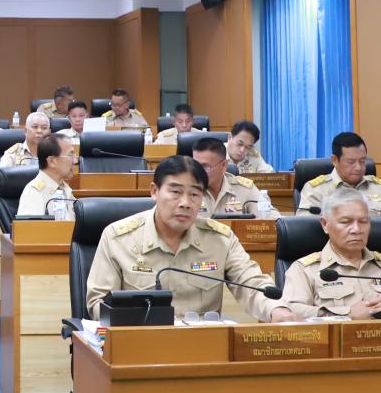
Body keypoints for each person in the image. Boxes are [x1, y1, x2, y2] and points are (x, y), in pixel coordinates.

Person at [86, 156, 298, 323]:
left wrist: (276, 310)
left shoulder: (220, 239)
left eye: (195, 195)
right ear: (154, 191)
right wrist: (136, 319)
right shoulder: (118, 237)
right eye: (175, 192)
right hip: (139, 344)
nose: (185, 203)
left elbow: (251, 283)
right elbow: (97, 303)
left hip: (203, 348)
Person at [278, 188, 381, 318]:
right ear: (325, 224)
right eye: (346, 222)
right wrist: (347, 314)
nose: (356, 229)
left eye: (363, 221)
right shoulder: (305, 270)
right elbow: (292, 313)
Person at [297, 132, 381, 219]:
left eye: (362, 161)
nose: (358, 167)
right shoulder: (315, 190)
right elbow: (306, 229)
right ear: (335, 160)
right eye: (351, 162)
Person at [191, 137, 278, 219]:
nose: (199, 171)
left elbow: (272, 218)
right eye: (195, 165)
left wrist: (244, 222)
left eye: (205, 167)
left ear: (224, 165)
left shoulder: (244, 189)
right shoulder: (187, 188)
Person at [18, 134, 76, 218]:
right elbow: (31, 226)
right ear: (52, 161)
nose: (75, 161)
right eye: (70, 155)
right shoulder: (34, 192)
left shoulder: (63, 187)